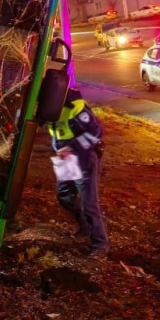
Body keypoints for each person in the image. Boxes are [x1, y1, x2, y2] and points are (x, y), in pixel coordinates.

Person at [48, 87, 109, 257]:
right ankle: (86, 228)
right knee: (65, 196)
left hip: (83, 157)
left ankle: (100, 244)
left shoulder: (75, 106)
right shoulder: (47, 105)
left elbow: (96, 132)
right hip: (65, 155)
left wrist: (73, 147)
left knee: (88, 203)